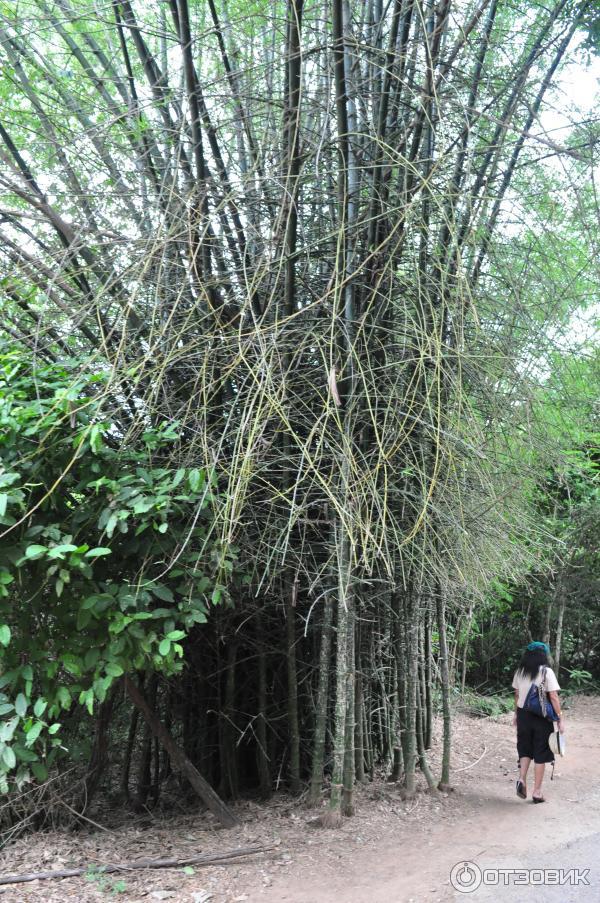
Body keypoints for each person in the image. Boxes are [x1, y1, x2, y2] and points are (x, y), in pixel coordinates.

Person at [511, 641, 564, 803]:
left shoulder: (520, 672)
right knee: (541, 752)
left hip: (523, 715)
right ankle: (537, 792)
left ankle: (521, 779)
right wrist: (560, 718)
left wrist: (516, 715)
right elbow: (553, 697)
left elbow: (517, 696)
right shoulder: (546, 672)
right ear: (544, 655)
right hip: (542, 718)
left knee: (525, 749)